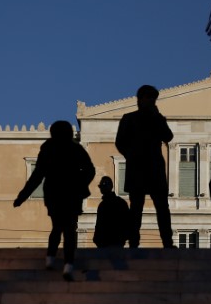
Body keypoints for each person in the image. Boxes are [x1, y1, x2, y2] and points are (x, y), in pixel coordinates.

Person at [13, 120, 96, 281]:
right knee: (70, 229)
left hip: (53, 193)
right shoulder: (75, 148)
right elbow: (90, 170)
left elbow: (37, 175)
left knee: (57, 226)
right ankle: (68, 264)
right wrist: (80, 183)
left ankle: (50, 258)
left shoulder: (48, 149)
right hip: (72, 193)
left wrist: (22, 196)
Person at [115, 84, 175, 248]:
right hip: (138, 169)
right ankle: (134, 241)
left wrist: (157, 117)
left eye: (154, 98)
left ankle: (167, 242)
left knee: (162, 207)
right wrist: (132, 155)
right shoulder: (129, 118)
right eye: (149, 98)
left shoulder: (158, 118)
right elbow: (120, 142)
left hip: (155, 167)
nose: (152, 101)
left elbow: (168, 136)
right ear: (140, 99)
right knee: (136, 208)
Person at [93, 176, 130, 248]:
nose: (101, 188)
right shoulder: (120, 203)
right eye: (101, 186)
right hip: (113, 242)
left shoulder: (104, 205)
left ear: (110, 186)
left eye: (103, 185)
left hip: (112, 242)